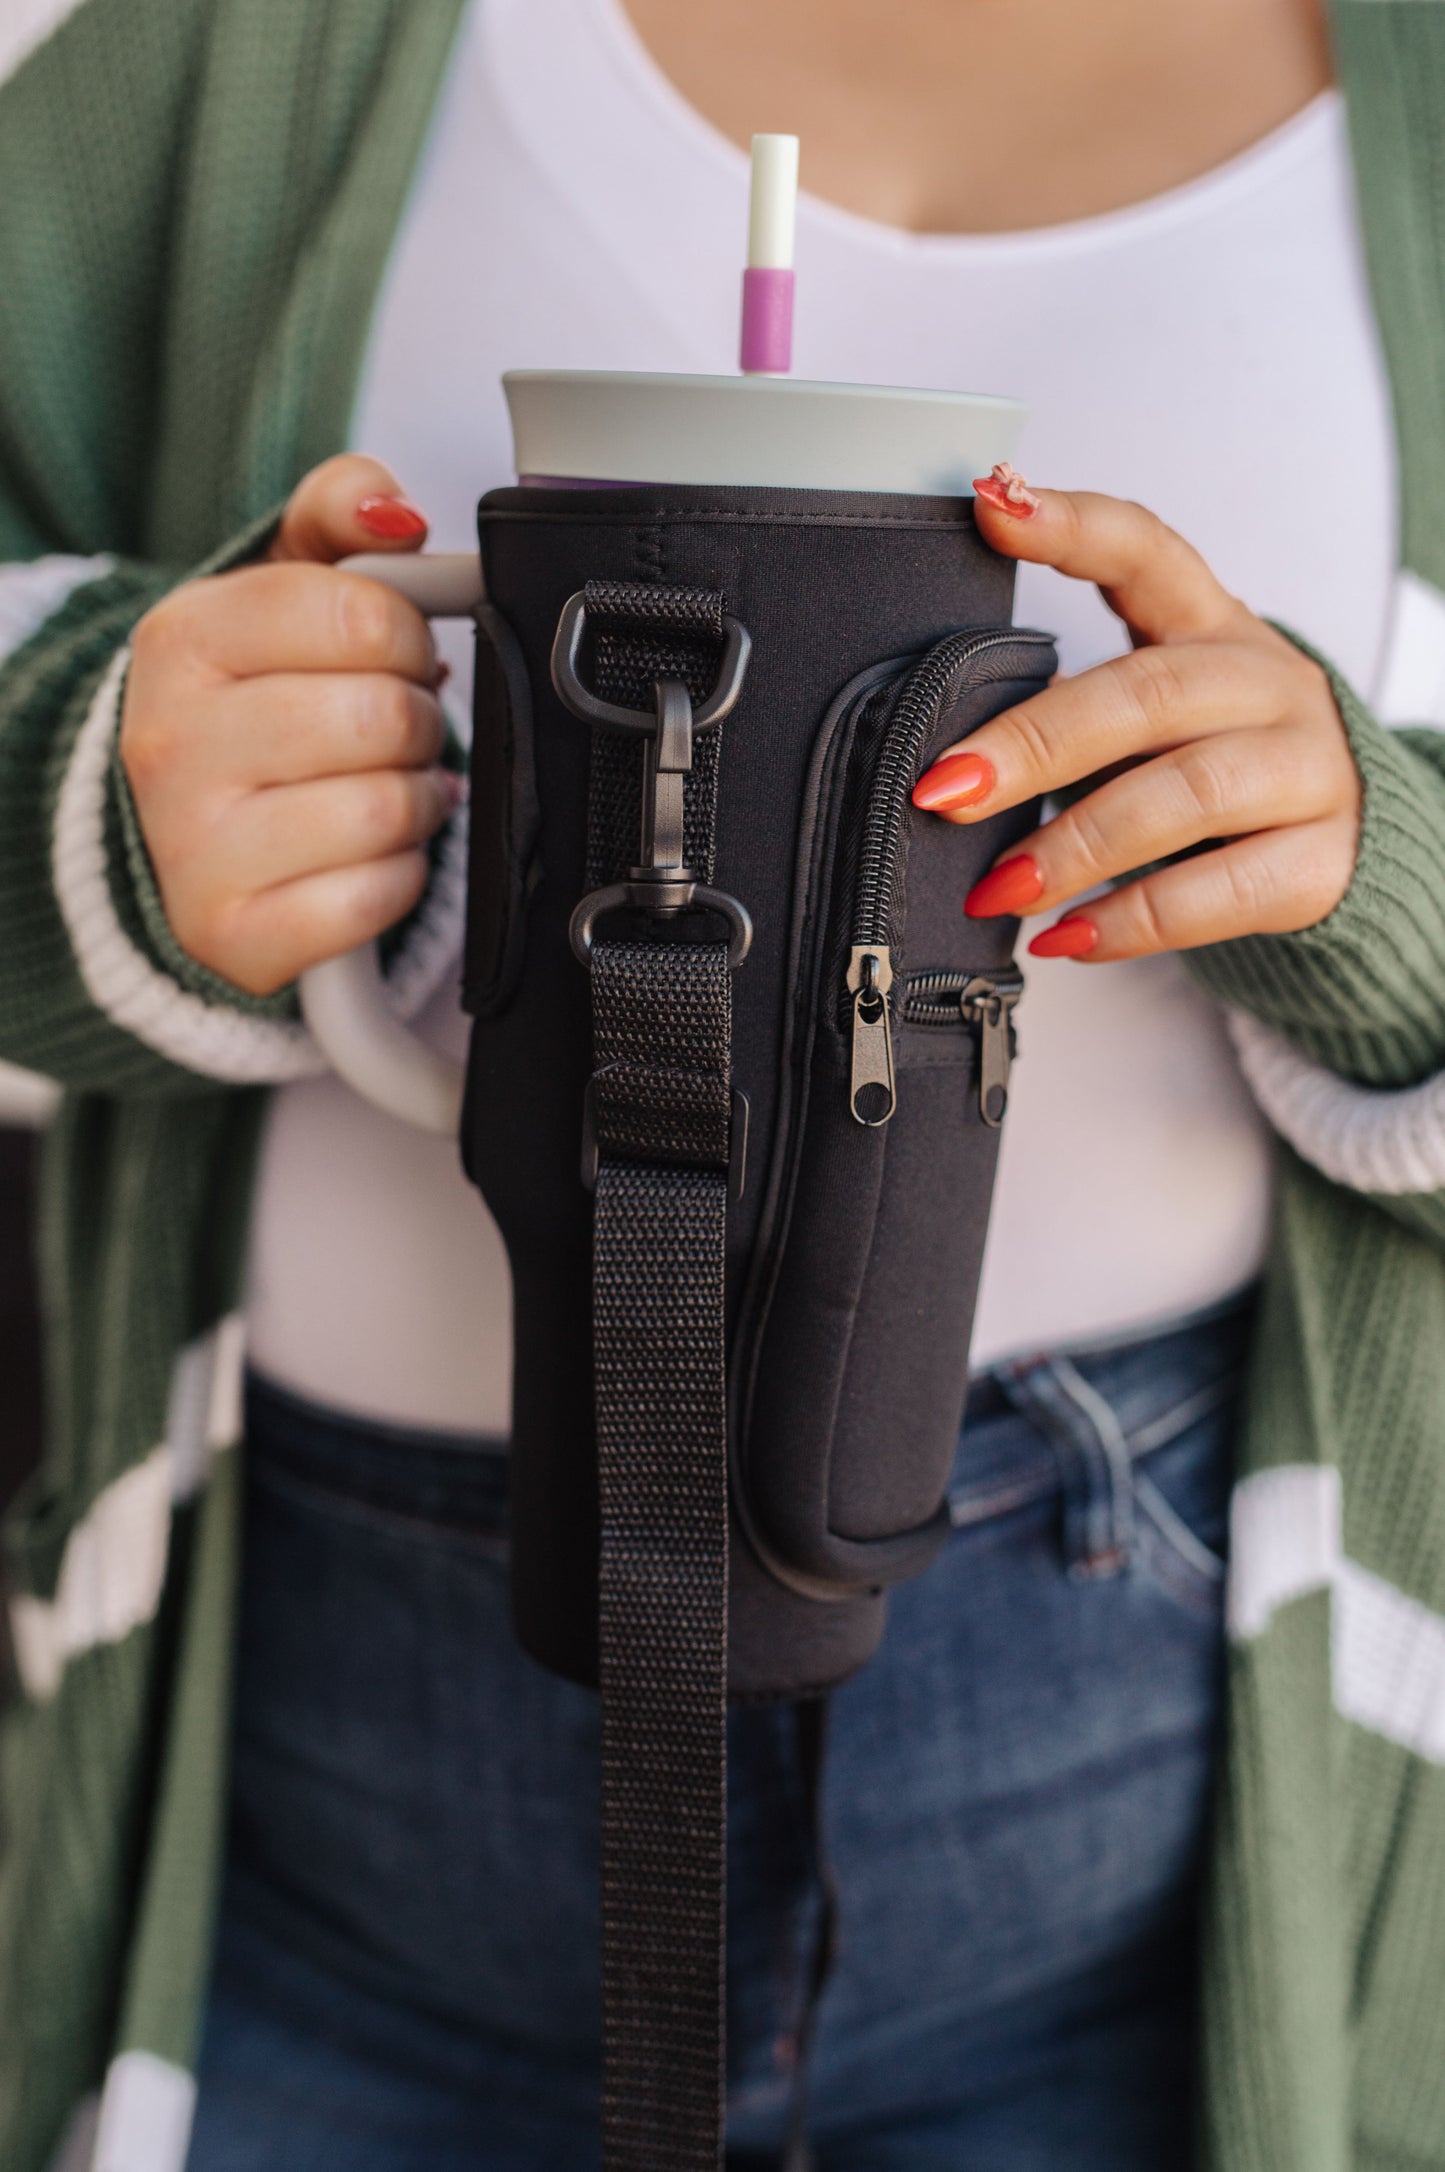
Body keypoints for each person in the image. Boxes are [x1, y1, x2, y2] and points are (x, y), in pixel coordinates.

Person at [2, 0, 1443, 2165]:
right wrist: (112, 798)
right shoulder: (212, 57)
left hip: (1156, 1836)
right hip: (309, 1810)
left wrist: (1383, 884)